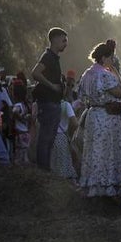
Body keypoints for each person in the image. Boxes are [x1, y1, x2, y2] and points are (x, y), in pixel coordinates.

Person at [77, 40, 121, 198]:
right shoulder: (105, 75)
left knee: (94, 150)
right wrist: (115, 71)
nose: (112, 61)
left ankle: (91, 184)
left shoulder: (87, 74)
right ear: (105, 58)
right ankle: (106, 185)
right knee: (107, 151)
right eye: (111, 58)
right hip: (106, 117)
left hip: (93, 115)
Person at [30, 27, 69, 170]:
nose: (65, 44)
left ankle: (46, 169)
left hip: (54, 102)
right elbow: (35, 73)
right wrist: (52, 86)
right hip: (48, 103)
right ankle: (43, 171)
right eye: (63, 40)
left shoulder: (54, 58)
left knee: (50, 139)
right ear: (55, 39)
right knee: (45, 138)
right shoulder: (48, 56)